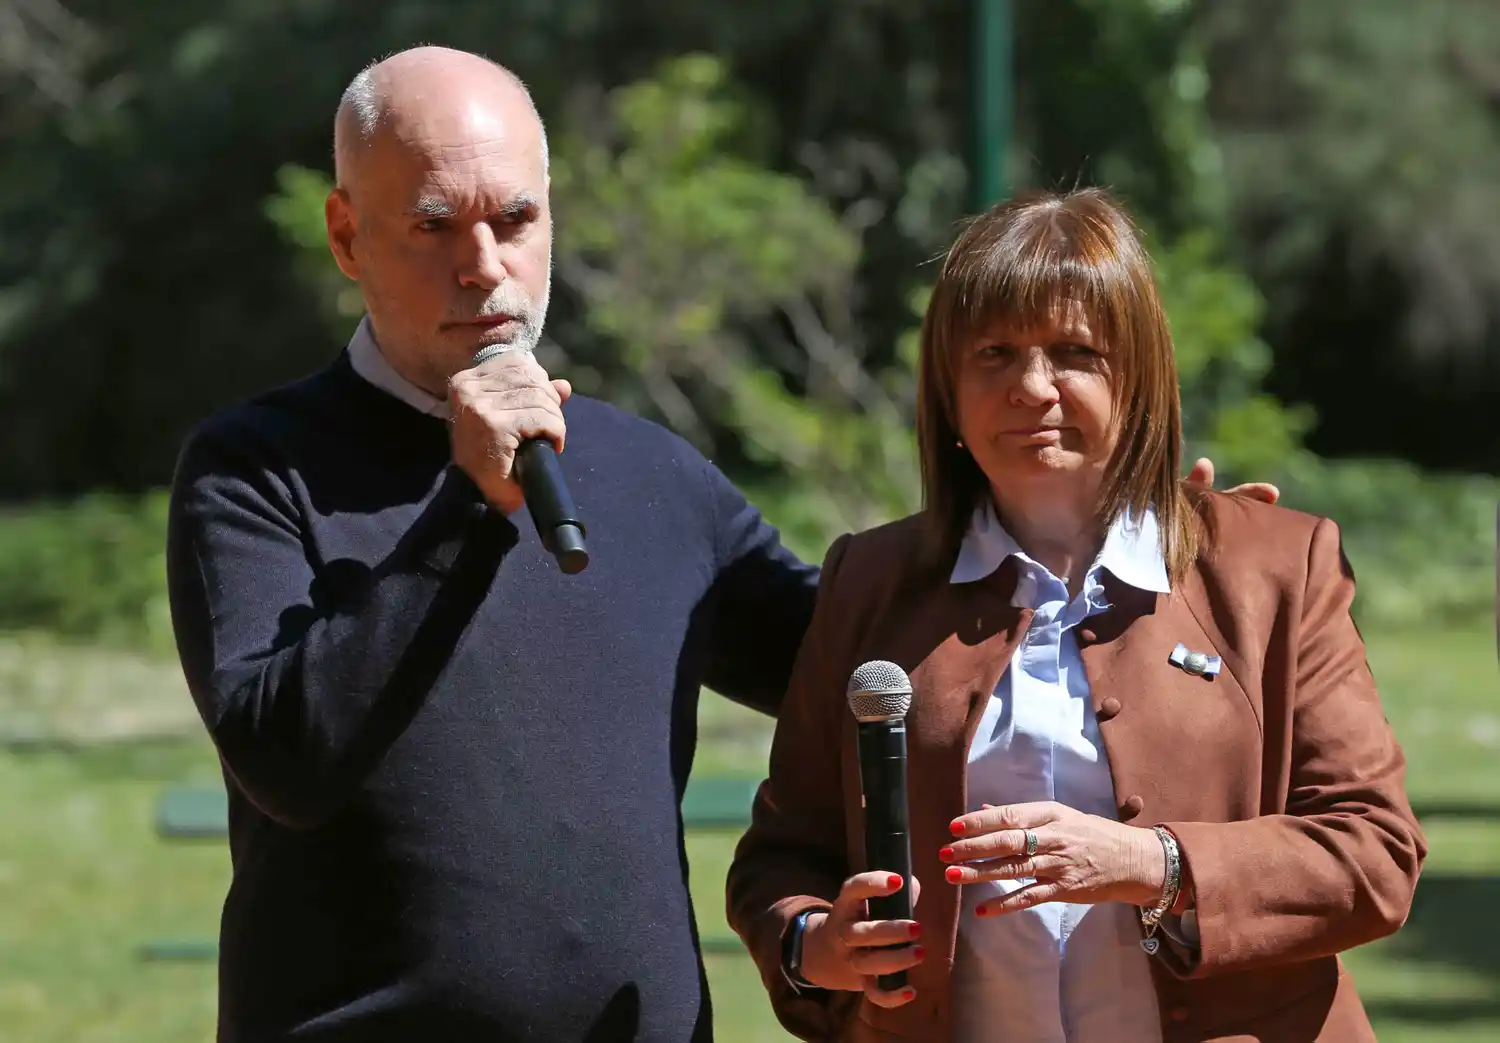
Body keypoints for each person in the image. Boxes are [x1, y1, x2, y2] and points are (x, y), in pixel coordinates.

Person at [165, 45, 1277, 1042]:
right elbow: (285, 758)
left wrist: (1132, 551)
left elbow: (875, 658)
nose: (485, 265)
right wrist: (469, 503)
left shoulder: (650, 474)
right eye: (433, 226)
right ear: (348, 234)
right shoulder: (257, 467)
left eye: (513, 220)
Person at [725, 188, 1427, 1043]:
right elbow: (780, 859)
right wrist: (815, 943)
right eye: (993, 353)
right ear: (947, 389)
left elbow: (1376, 854)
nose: (1031, 386)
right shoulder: (866, 581)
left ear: (1139, 378)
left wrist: (1152, 863)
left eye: (1075, 352)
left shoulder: (1278, 567)